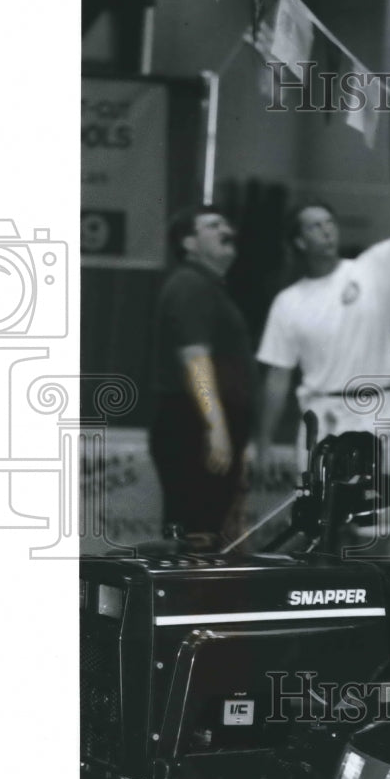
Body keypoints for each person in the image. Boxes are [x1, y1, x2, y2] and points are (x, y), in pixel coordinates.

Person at [253, 195, 390, 481]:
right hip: (323, 419)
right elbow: (277, 377)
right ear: (299, 242)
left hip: (378, 413)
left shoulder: (373, 269)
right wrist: (263, 444)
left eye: (329, 222)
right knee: (321, 508)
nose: (326, 230)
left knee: (383, 508)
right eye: (315, 226)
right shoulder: (288, 302)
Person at [149, 204, 255, 537]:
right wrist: (216, 426)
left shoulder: (209, 287)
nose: (227, 230)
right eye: (213, 225)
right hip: (193, 425)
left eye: (226, 223)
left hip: (202, 423)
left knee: (205, 533)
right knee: (196, 536)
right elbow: (195, 361)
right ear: (189, 243)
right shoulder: (190, 285)